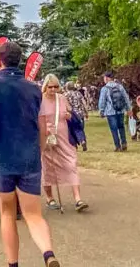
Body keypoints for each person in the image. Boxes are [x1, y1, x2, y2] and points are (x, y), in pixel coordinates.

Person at [0, 41, 61, 267]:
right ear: (20, 61)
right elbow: (42, 128)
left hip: (2, 159)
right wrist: (38, 152)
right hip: (29, 158)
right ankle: (48, 253)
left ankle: (13, 263)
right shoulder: (34, 89)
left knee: (7, 214)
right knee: (34, 214)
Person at [40, 74, 88, 213]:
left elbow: (72, 115)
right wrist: (45, 129)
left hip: (63, 137)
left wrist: (69, 116)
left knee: (71, 163)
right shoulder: (40, 100)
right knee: (47, 167)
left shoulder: (62, 98)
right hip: (47, 138)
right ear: (45, 87)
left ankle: (78, 199)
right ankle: (50, 198)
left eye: (56, 86)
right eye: (51, 87)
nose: (54, 89)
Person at [98, 71, 131, 152]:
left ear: (107, 78)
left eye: (104, 78)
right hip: (120, 110)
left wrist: (101, 110)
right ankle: (124, 143)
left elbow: (102, 101)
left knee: (114, 129)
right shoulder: (120, 86)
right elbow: (126, 98)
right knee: (121, 127)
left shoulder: (105, 89)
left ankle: (117, 146)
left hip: (110, 112)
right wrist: (128, 108)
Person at [64, 82, 88, 151]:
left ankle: (74, 145)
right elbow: (84, 103)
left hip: (71, 114)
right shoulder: (78, 93)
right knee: (80, 129)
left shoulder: (66, 95)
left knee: (71, 130)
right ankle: (83, 140)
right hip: (80, 114)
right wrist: (86, 112)